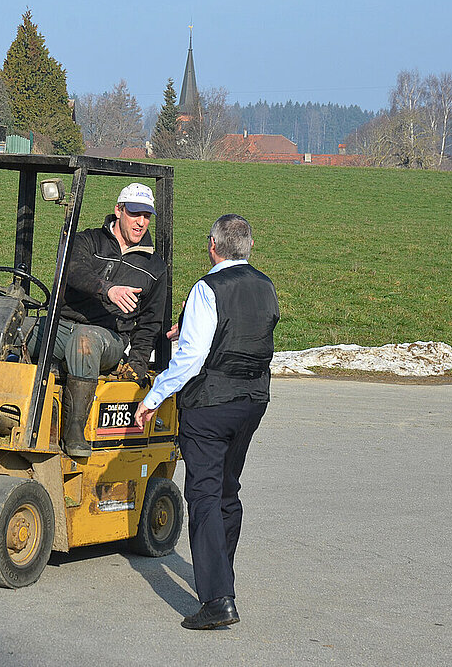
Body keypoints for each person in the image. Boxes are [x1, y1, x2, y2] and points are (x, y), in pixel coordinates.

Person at [133, 213, 279, 630]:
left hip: (210, 406)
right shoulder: (265, 286)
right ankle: (222, 574)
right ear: (248, 247)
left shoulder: (207, 288)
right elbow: (248, 337)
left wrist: (154, 396)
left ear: (213, 246)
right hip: (252, 400)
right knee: (229, 491)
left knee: (203, 495)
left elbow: (193, 359)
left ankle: (217, 598)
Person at [53, 182, 168, 458]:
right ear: (119, 210)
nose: (141, 222)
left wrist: (138, 361)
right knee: (14, 326)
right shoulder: (88, 241)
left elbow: (152, 321)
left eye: (147, 216)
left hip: (110, 337)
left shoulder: (154, 266)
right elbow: (71, 270)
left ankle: (74, 431)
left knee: (85, 341)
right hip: (62, 327)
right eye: (135, 214)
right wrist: (107, 289)